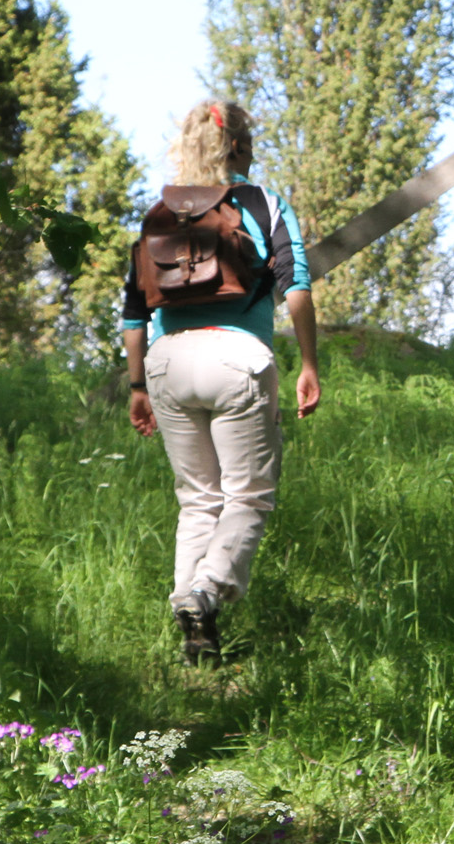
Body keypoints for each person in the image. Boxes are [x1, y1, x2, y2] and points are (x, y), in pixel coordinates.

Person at [121, 102, 323, 664]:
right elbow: (296, 286)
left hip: (167, 363)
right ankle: (205, 594)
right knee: (249, 496)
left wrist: (138, 387)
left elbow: (134, 314)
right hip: (237, 360)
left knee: (198, 500)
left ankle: (196, 632)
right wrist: (309, 363)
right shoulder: (261, 202)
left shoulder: (160, 213)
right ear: (240, 145)